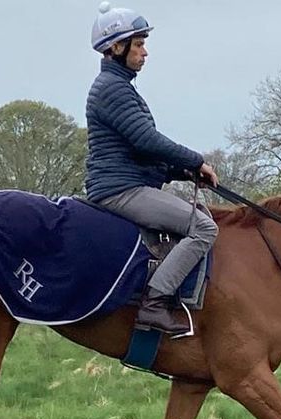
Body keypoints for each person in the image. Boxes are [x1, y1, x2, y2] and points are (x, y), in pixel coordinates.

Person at [85, 2, 219, 336]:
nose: (145, 52)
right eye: (140, 44)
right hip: (120, 191)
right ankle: (154, 304)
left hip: (127, 184)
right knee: (203, 228)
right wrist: (194, 160)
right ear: (117, 47)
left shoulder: (119, 88)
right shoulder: (112, 90)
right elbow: (147, 140)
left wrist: (181, 173)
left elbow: (140, 151)